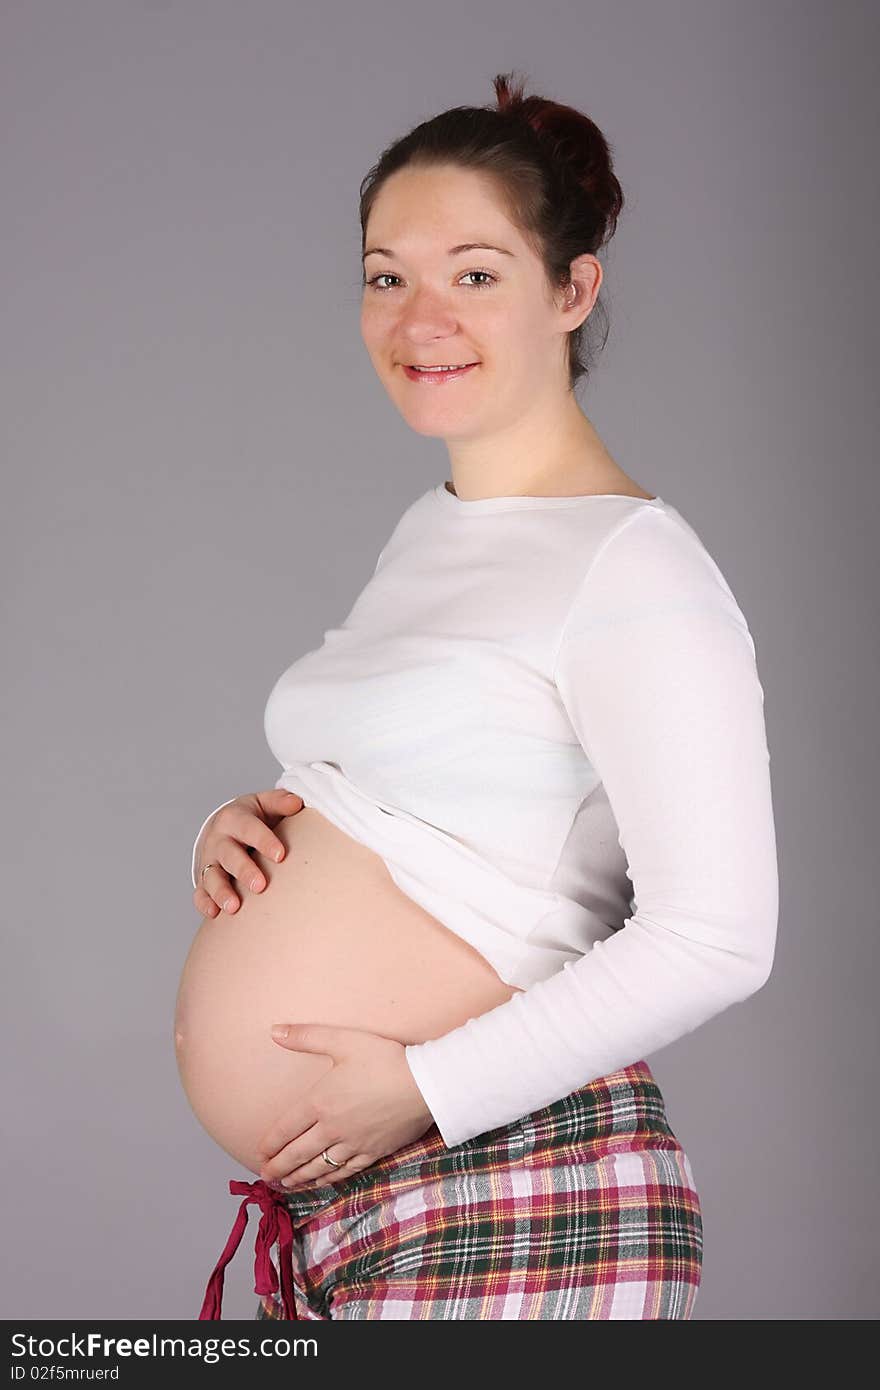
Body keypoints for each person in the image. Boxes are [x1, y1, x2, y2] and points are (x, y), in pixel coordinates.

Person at [191, 69, 778, 1320]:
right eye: (384, 274)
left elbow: (718, 935)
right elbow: (437, 794)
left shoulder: (634, 567)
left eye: (474, 272)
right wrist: (253, 827)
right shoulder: (437, 526)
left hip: (519, 1183)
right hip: (376, 1202)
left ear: (571, 291)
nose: (418, 316)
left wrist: (428, 1089)